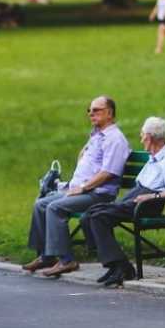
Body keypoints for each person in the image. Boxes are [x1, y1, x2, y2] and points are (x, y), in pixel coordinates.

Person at [24, 95, 131, 277]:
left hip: (98, 194)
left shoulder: (115, 139)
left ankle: (67, 260)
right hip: (82, 189)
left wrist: (83, 188)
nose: (91, 114)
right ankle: (47, 255)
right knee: (41, 203)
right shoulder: (97, 136)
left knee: (55, 207)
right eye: (89, 110)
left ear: (109, 113)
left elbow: (108, 173)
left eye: (96, 110)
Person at [80, 117, 165, 287]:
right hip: (137, 197)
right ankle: (115, 265)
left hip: (148, 203)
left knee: (98, 217)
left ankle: (122, 267)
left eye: (142, 136)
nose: (141, 139)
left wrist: (152, 197)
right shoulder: (154, 156)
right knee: (89, 214)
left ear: (150, 137)